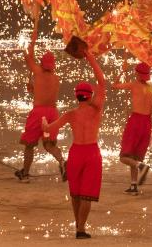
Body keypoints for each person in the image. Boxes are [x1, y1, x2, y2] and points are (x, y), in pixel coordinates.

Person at [42, 50, 107, 240]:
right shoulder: (96, 109)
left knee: (76, 194)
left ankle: (78, 226)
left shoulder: (70, 114)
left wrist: (44, 124)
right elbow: (102, 81)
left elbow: (49, 129)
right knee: (87, 194)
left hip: (76, 153)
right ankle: (80, 228)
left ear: (77, 96)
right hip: (91, 153)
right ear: (90, 95)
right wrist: (90, 57)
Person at [15, 40, 65, 181]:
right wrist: (32, 89)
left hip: (39, 114)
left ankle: (25, 174)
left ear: (42, 64)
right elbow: (45, 94)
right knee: (49, 144)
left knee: (29, 145)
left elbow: (27, 58)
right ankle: (62, 162)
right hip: (52, 115)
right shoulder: (56, 78)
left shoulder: (37, 72)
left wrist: (30, 44)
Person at [114, 61, 152, 195]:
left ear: (137, 74)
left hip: (136, 120)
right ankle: (133, 186)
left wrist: (122, 71)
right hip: (147, 123)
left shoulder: (134, 84)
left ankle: (141, 167)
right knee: (134, 157)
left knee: (124, 157)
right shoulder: (151, 89)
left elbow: (115, 85)